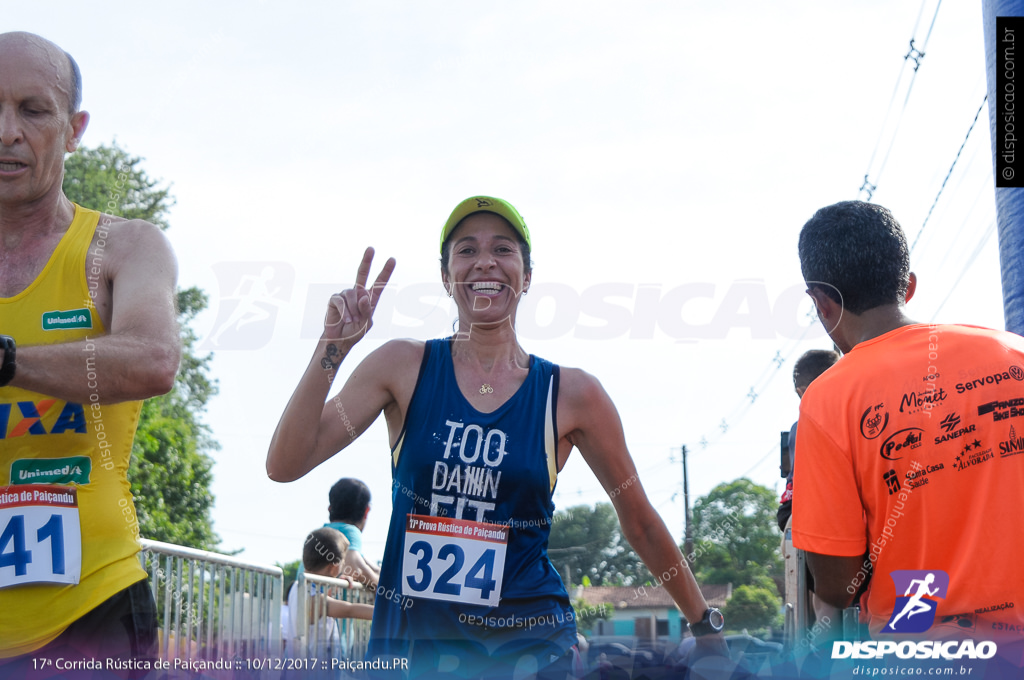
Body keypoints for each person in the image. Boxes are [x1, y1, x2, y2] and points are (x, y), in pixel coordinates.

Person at [267, 196, 726, 678]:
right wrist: (332, 349)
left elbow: (641, 522)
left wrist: (705, 628)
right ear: (446, 277)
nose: (484, 260)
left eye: (502, 249)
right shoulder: (402, 367)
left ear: (526, 276)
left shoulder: (573, 395)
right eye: (466, 250)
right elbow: (285, 464)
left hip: (530, 649)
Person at [0, 32, 180, 671]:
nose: (7, 131)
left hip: (90, 609)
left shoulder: (124, 247)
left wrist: (9, 361)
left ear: (74, 130)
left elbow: (153, 358)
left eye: (33, 109)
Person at [791, 201, 1024, 646]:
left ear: (821, 303)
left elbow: (839, 586)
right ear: (908, 285)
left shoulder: (828, 400)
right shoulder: (1014, 355)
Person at [776, 349, 840, 532]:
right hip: (801, 507)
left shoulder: (799, 427)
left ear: (802, 392)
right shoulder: (815, 425)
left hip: (792, 507)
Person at [287, 527, 374, 659]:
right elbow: (350, 610)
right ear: (334, 566)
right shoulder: (316, 601)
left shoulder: (298, 587)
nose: (344, 564)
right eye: (343, 561)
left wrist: (337, 583)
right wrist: (389, 613)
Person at [327, 477, 381, 588]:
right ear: (366, 511)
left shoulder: (322, 532)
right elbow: (354, 568)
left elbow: (367, 565)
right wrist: (383, 586)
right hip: (323, 603)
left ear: (330, 508)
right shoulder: (349, 531)